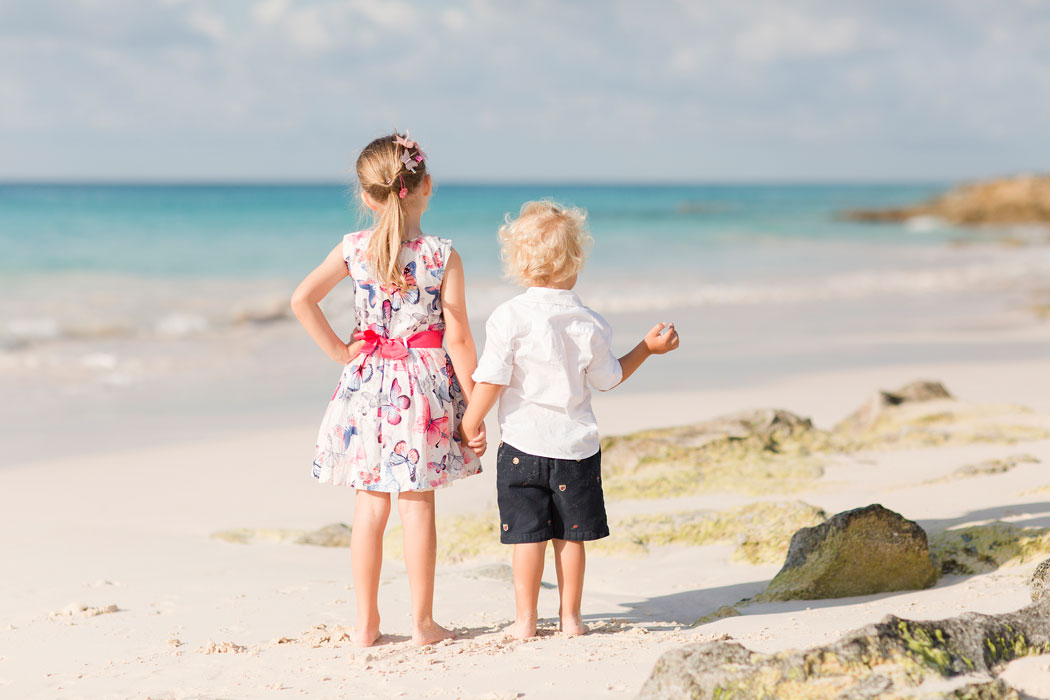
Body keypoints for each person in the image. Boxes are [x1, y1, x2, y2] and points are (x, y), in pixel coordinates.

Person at [291, 132, 483, 647]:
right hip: (422, 389)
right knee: (417, 505)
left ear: (367, 196)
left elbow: (302, 300)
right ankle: (422, 624)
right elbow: (459, 337)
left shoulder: (354, 248)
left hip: (367, 385)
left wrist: (338, 351)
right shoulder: (443, 255)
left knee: (370, 506)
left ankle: (366, 625)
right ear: (424, 187)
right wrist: (477, 409)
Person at [459, 200, 680, 639]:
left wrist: (470, 423)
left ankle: (525, 621)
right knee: (571, 537)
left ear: (519, 265)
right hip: (576, 450)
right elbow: (609, 377)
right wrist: (647, 349)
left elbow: (492, 379)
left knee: (526, 538)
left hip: (521, 447)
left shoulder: (508, 317)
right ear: (575, 260)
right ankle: (571, 619)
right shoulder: (588, 323)